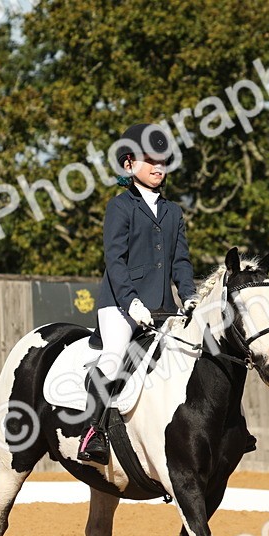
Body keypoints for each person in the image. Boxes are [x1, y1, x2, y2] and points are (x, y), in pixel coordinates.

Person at [77, 123, 198, 464]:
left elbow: (181, 261)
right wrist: (131, 302)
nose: (159, 167)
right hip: (120, 305)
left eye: (163, 161)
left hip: (164, 307)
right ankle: (93, 432)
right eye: (150, 160)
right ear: (129, 164)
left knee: (197, 354)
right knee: (114, 356)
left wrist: (189, 295)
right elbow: (115, 261)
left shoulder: (173, 211)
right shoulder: (120, 207)